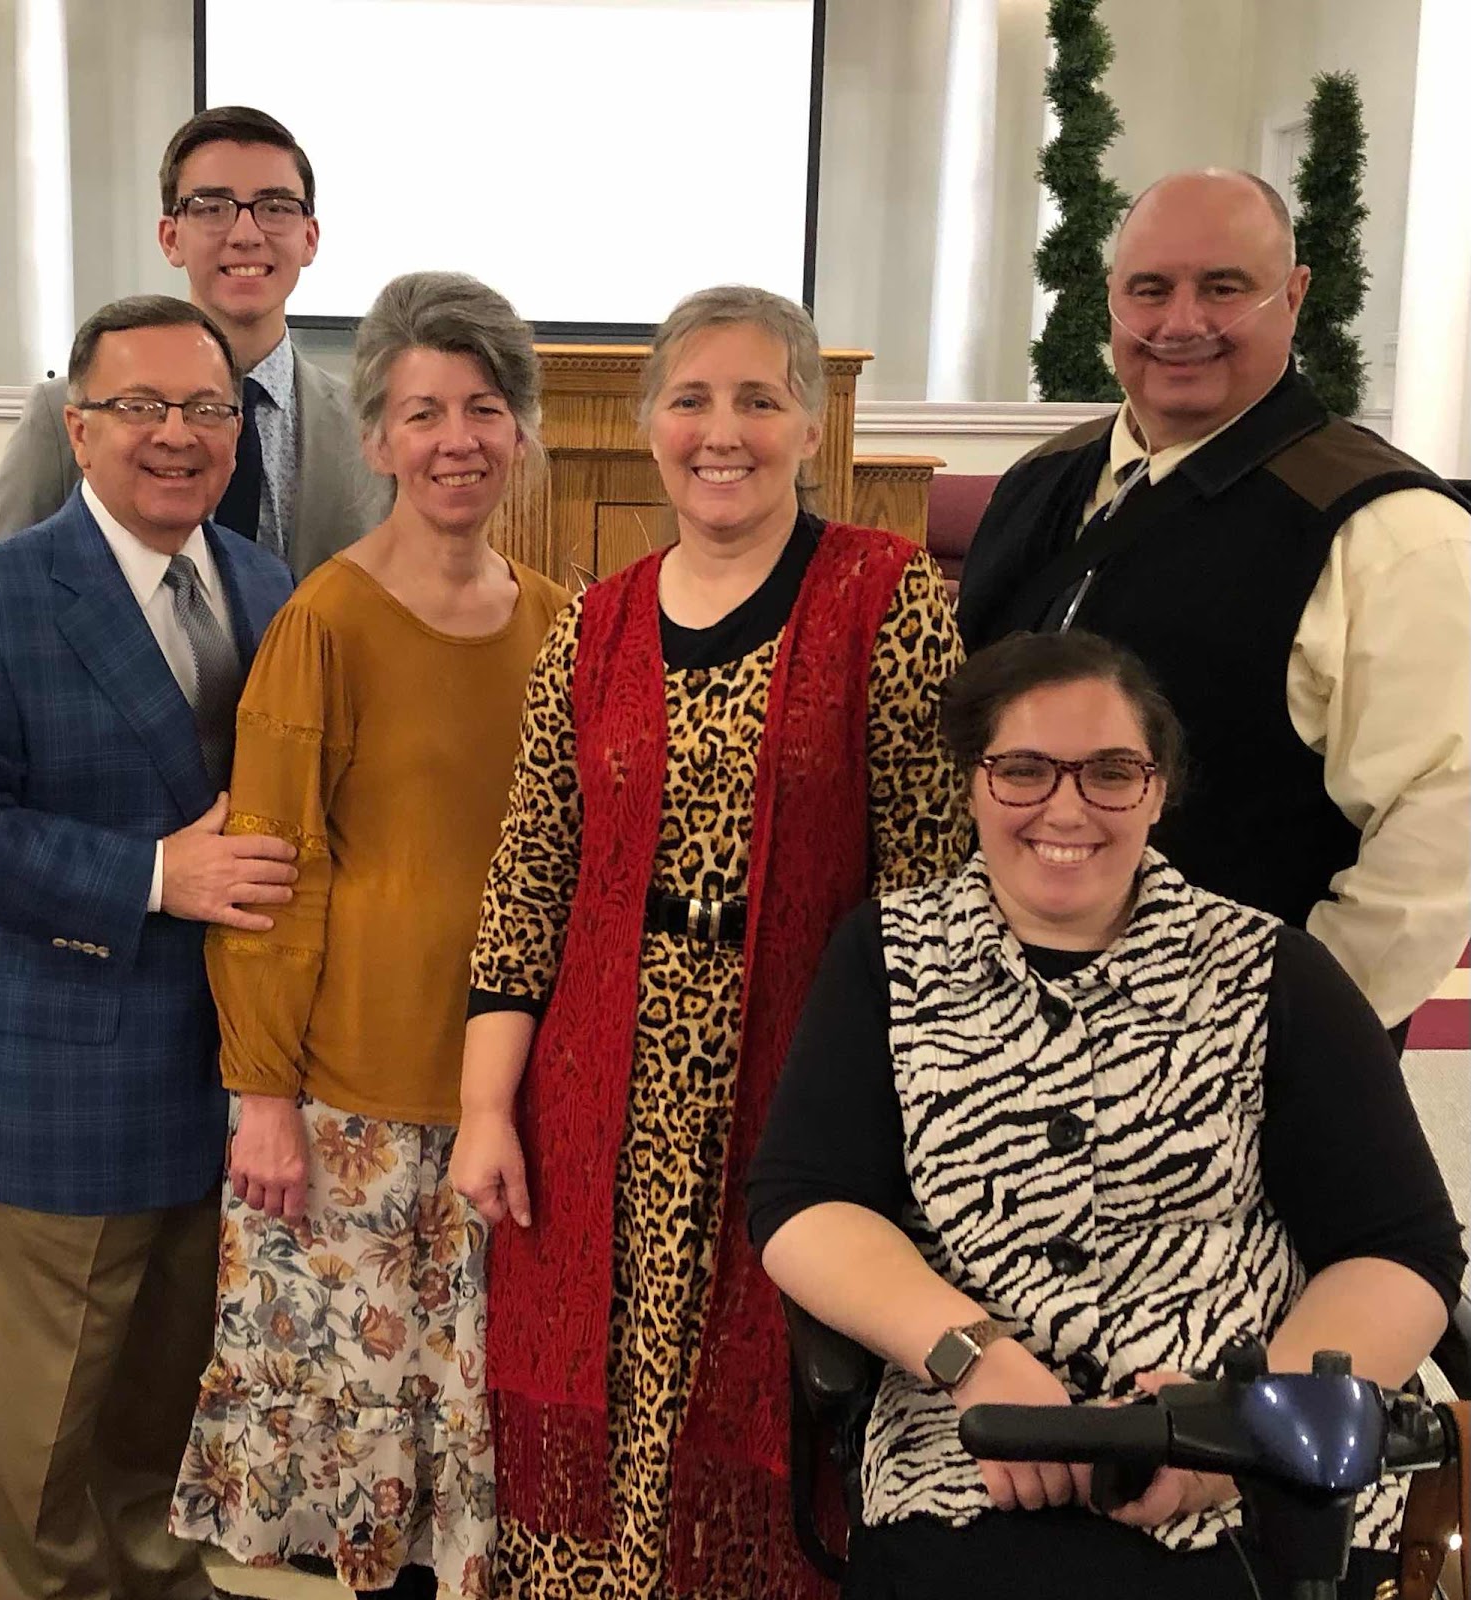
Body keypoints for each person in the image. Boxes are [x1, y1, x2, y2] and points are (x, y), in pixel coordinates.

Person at [749, 629, 1467, 1600]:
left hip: (1255, 1471)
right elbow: (803, 1204)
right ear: (972, 783)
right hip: (970, 1453)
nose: (1067, 807)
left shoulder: (1273, 971)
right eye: (1024, 769)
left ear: (1157, 791)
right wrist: (970, 1354)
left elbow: (1400, 1248)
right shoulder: (888, 958)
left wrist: (1246, 1427)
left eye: (1111, 772)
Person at [448, 284, 971, 1600]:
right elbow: (531, 874)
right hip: (593, 1103)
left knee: (760, 1426)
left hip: (800, 1092)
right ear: (649, 425)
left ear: (811, 428)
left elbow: (933, 884)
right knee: (594, 1419)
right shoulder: (595, 624)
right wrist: (487, 1108)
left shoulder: (890, 599)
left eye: (758, 399)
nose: (720, 430)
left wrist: (913, 1122)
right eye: (690, 399)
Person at [170, 271, 569, 1599]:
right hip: (351, 1105)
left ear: (521, 430)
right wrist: (262, 1096)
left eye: (484, 408)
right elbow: (270, 876)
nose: (457, 439)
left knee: (483, 1448)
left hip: (513, 1097)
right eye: (422, 412)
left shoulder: (559, 619)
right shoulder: (325, 620)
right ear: (379, 440)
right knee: (365, 1462)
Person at [0, 295, 298, 1600]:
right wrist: (154, 875)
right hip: (56, 1082)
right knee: (40, 1447)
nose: (177, 433)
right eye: (141, 406)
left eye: (207, 408)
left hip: (217, 1072)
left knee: (163, 1417)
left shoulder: (265, 585)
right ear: (78, 429)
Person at [954, 168, 1471, 1043]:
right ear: (1111, 298)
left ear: (1293, 295)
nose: (1182, 323)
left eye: (1224, 288)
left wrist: (1296, 1032)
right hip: (1003, 1027)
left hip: (1234, 1048)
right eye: (1150, 289)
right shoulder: (1039, 482)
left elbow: (1440, 827)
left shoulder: (1387, 530)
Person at [0, 105, 382, 575]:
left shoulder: (369, 427)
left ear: (309, 237)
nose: (245, 234)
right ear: (171, 237)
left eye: (275, 208)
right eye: (212, 208)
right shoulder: (65, 415)